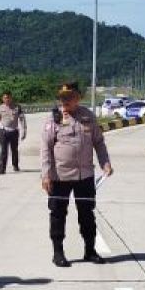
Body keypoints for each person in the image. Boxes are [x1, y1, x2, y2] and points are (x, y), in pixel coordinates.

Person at [39, 82, 113, 267]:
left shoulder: (87, 116)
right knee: (57, 214)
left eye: (68, 97)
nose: (64, 101)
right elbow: (46, 149)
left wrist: (105, 163)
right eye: (62, 97)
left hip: (84, 175)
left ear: (77, 98)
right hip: (59, 176)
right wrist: (46, 174)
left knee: (87, 214)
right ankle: (58, 252)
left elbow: (99, 142)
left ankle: (90, 250)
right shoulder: (53, 119)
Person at [0, 91, 27, 174]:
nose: (7, 99)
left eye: (8, 97)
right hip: (4, 132)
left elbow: (22, 120)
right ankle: (2, 168)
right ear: (3, 99)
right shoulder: (0, 108)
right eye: (5, 98)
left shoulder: (17, 107)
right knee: (3, 151)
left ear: (11, 98)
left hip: (14, 131)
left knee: (14, 150)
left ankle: (15, 165)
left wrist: (24, 131)